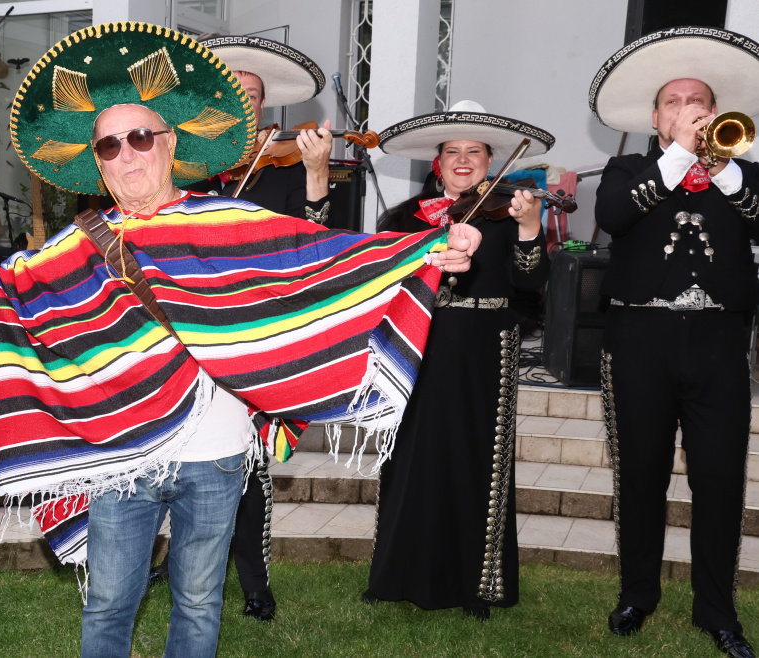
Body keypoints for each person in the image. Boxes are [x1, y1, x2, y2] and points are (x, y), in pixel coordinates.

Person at [0, 22, 481, 658]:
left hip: (218, 452)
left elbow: (327, 263)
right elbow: (9, 293)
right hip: (123, 458)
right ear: (97, 161)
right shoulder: (75, 248)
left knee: (200, 602)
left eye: (140, 137)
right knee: (110, 603)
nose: (127, 155)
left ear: (169, 145)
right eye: (110, 145)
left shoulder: (231, 223)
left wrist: (436, 247)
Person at [147, 34, 335, 622]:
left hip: (252, 328)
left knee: (247, 460)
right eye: (234, 91)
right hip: (182, 326)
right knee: (172, 446)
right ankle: (170, 557)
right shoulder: (185, 162)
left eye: (254, 95)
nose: (244, 101)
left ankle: (255, 580)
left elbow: (314, 240)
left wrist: (316, 173)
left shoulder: (280, 166)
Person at [588, 27, 759, 658]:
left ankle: (717, 611)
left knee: (719, 483)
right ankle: (638, 593)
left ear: (717, 114)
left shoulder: (745, 174)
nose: (687, 110)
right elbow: (613, 217)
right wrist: (679, 157)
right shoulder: (628, 168)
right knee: (640, 477)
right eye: (674, 102)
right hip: (640, 340)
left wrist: (723, 168)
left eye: (699, 102)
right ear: (656, 116)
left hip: (718, 342)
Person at [360, 100, 552, 620]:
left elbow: (532, 284)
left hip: (487, 349)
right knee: (412, 460)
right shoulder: (403, 218)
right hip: (420, 346)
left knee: (478, 463)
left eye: (474, 152)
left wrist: (532, 228)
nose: (463, 160)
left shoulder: (513, 212)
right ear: (436, 162)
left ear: (492, 161)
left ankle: (476, 584)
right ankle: (398, 575)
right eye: (452, 152)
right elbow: (378, 288)